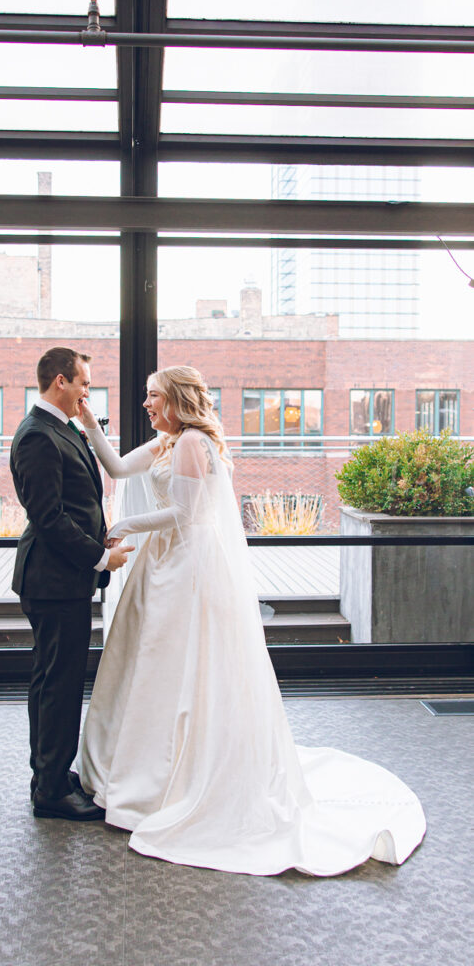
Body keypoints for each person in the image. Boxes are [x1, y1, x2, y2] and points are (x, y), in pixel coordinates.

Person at [75, 366, 426, 875]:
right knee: (148, 663)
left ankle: (177, 774)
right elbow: (114, 466)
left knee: (177, 664)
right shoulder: (166, 442)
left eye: (152, 397)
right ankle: (138, 768)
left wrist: (125, 522)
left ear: (175, 400)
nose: (146, 404)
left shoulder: (193, 443)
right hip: (161, 562)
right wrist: (88, 420)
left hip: (186, 565)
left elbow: (187, 515)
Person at [10, 347, 133, 821]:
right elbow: (48, 518)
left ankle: (52, 774)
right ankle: (49, 792)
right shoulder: (37, 436)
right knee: (56, 687)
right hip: (52, 579)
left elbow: (76, 502)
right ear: (60, 382)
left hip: (62, 578)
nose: (87, 392)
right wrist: (102, 557)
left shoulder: (60, 428)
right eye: (83, 383)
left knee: (54, 683)